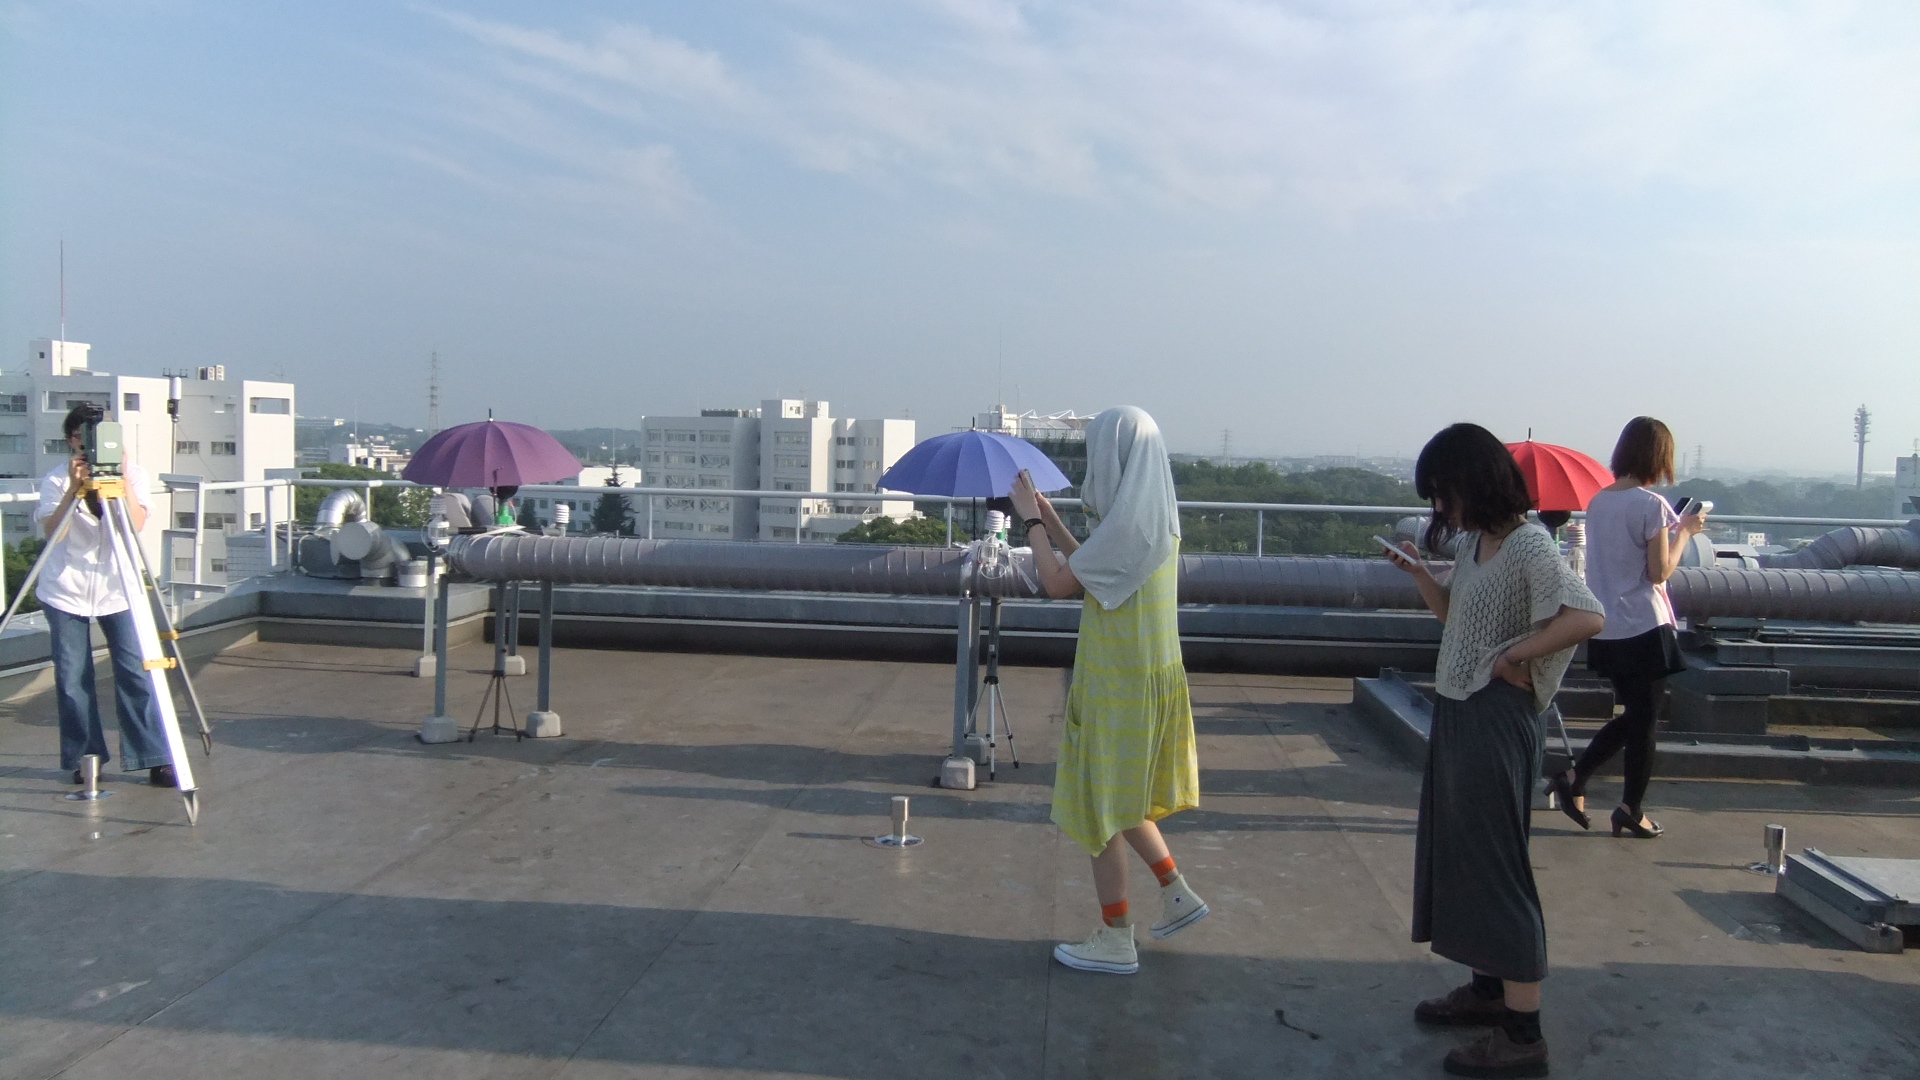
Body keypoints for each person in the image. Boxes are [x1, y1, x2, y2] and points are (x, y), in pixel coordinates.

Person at [1389, 423, 1605, 1078]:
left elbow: (1586, 614)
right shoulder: (1477, 543)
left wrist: (1517, 655)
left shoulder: (1528, 544)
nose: (1440, 507)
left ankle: (1522, 1032)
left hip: (1495, 718)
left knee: (1497, 865)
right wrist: (1422, 575)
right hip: (1461, 710)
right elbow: (1456, 618)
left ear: (1472, 482)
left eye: (1443, 492)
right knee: (1464, 856)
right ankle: (1487, 989)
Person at [1008, 406, 1208, 977]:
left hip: (1118, 680)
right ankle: (1176, 893)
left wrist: (1031, 523)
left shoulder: (1127, 530)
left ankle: (1117, 937)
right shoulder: (1152, 518)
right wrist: (1052, 519)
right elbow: (1095, 573)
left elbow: (1057, 583)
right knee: (1122, 800)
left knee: (1097, 807)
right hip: (1145, 675)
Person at [1548, 417, 1706, 839]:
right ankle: (1627, 806)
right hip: (1643, 625)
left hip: (1607, 626)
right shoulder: (1651, 505)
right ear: (1659, 457)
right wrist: (1685, 533)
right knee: (1644, 721)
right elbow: (1660, 572)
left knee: (1636, 716)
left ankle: (1578, 780)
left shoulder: (1599, 502)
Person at [35, 405, 176, 788]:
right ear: (71, 441)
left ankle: (154, 756)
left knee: (137, 671)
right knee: (73, 678)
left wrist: (121, 476)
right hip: (66, 590)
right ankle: (87, 759)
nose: (91, 445)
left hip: (119, 589)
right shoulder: (56, 479)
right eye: (84, 438)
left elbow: (135, 526)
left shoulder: (134, 475)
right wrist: (74, 489)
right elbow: (55, 534)